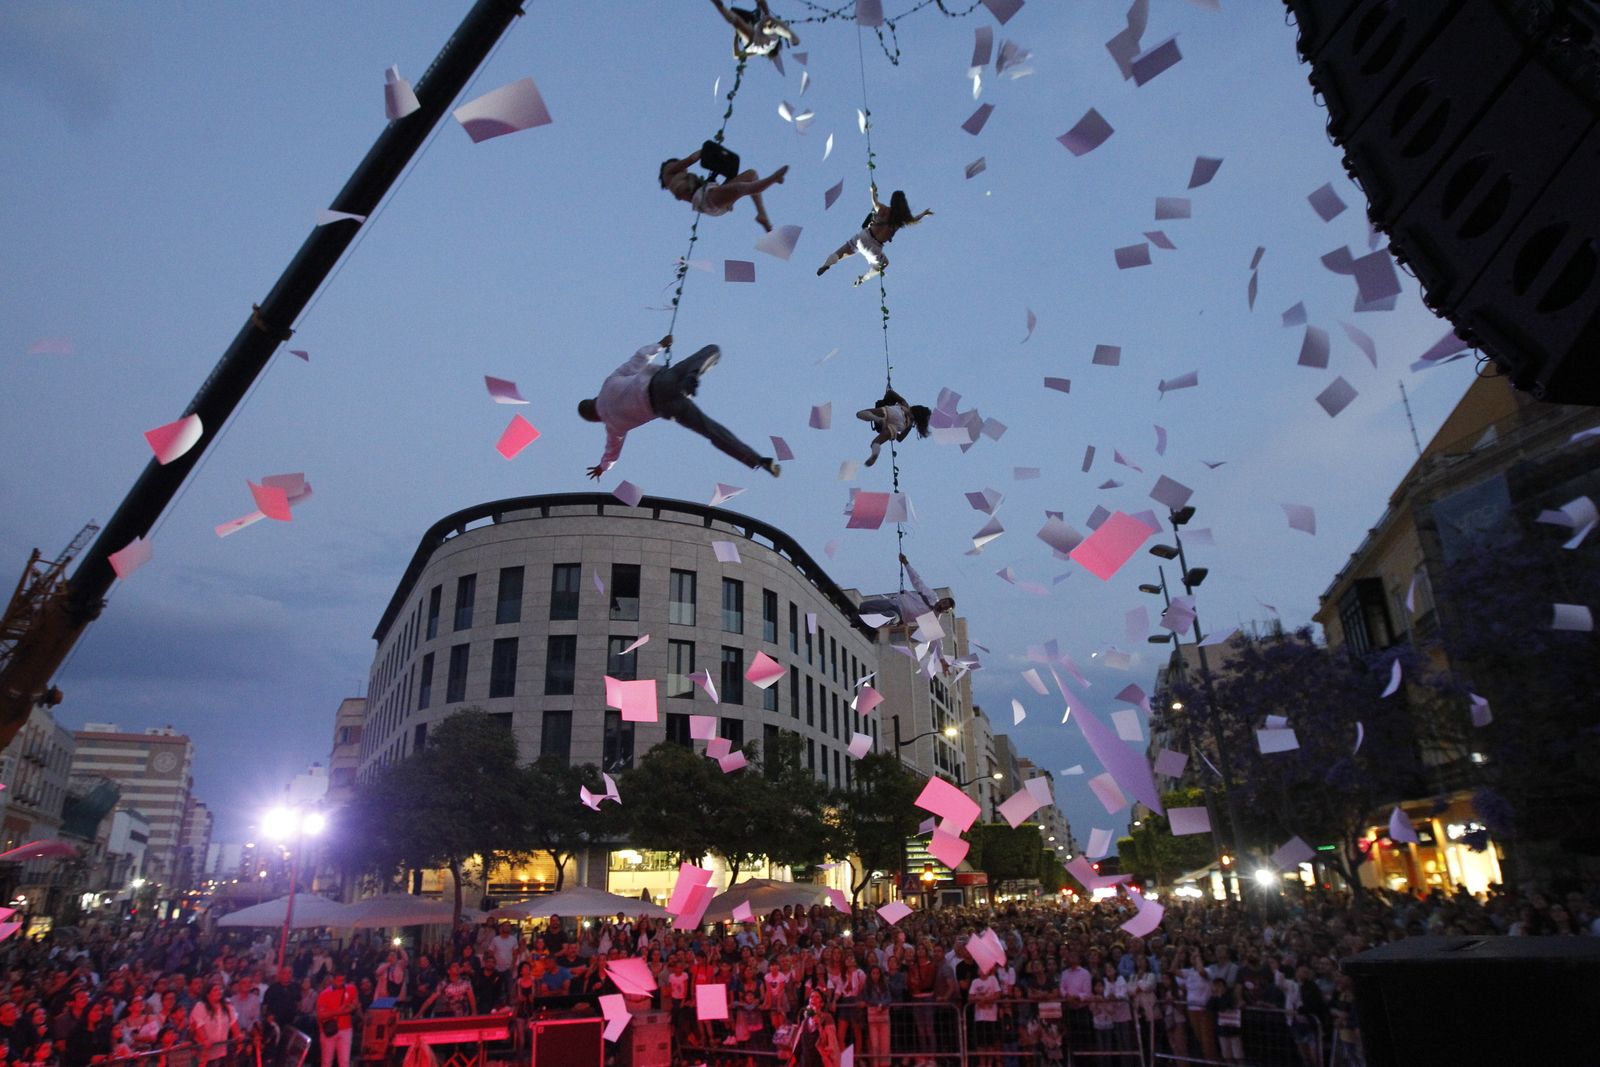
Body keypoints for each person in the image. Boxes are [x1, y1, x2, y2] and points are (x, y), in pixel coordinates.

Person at [579, 337, 781, 480]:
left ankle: (756, 460)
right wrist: (659, 345)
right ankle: (691, 378)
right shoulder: (608, 384)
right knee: (712, 350)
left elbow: (612, 453)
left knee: (709, 429)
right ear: (593, 399)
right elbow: (637, 360)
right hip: (662, 381)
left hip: (666, 407)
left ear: (596, 419)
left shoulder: (613, 427)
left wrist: (602, 468)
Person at [816, 183, 933, 286]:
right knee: (884, 264)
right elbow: (913, 219)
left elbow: (874, 202)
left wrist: (873, 191)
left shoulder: (883, 209)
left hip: (863, 237)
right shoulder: (900, 220)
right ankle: (863, 279)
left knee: (841, 252)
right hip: (875, 248)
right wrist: (923, 214)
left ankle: (827, 264)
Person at [659, 150, 788, 232]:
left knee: (751, 175)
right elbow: (691, 158)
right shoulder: (669, 170)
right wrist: (708, 150)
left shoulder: (679, 181)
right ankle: (771, 180)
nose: (686, 171)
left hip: (713, 198)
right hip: (706, 199)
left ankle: (762, 214)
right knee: (741, 188)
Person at [856, 553, 955, 627]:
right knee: (864, 606)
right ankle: (857, 617)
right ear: (942, 599)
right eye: (945, 601)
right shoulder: (932, 596)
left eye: (945, 606)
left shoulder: (933, 620)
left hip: (900, 615)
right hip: (895, 602)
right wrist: (906, 563)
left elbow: (933, 641)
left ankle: (866, 622)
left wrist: (939, 654)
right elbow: (917, 581)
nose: (943, 604)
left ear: (945, 611)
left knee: (889, 617)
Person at [855, 388, 932, 467]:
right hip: (898, 426)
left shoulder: (905, 404)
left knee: (860, 414)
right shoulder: (909, 425)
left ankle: (877, 419)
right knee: (875, 443)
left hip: (893, 412)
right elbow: (900, 438)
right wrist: (892, 434)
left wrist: (886, 401)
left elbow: (890, 393)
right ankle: (875, 454)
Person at [708, 0, 798, 63]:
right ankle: (721, 8)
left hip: (762, 35)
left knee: (767, 21)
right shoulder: (757, 53)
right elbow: (736, 55)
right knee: (736, 21)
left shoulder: (775, 41)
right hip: (753, 44)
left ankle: (788, 34)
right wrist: (736, 35)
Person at [188, 984, 241, 1067]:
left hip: (223, 1051)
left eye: (220, 989)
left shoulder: (227, 1006)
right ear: (208, 994)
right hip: (205, 1053)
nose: (219, 992)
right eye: (215, 990)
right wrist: (205, 1039)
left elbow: (234, 1023)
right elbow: (198, 1026)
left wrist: (238, 1035)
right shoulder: (200, 1006)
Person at [314, 971, 358, 1067]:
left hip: (346, 1029)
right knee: (326, 1062)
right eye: (338, 980)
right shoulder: (324, 994)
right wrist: (339, 1011)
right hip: (328, 1030)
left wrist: (349, 1008)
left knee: (344, 1062)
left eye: (343, 980)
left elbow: (355, 1004)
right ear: (333, 980)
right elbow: (320, 1015)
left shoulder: (351, 989)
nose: (341, 982)